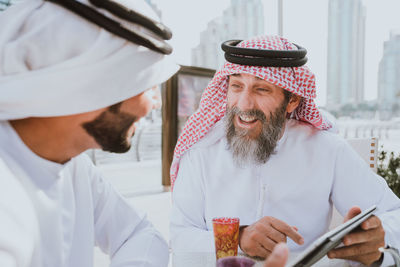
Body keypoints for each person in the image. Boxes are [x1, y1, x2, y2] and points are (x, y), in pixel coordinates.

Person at [169, 35, 400, 266]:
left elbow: (393, 214)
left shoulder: (327, 150)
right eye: (236, 86)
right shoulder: (200, 153)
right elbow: (180, 238)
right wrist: (237, 238)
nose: (244, 104)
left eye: (261, 89)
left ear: (292, 100)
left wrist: (378, 237)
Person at [0, 0, 179, 266]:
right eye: (148, 86)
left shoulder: (75, 166)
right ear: (97, 88)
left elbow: (139, 234)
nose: (157, 103)